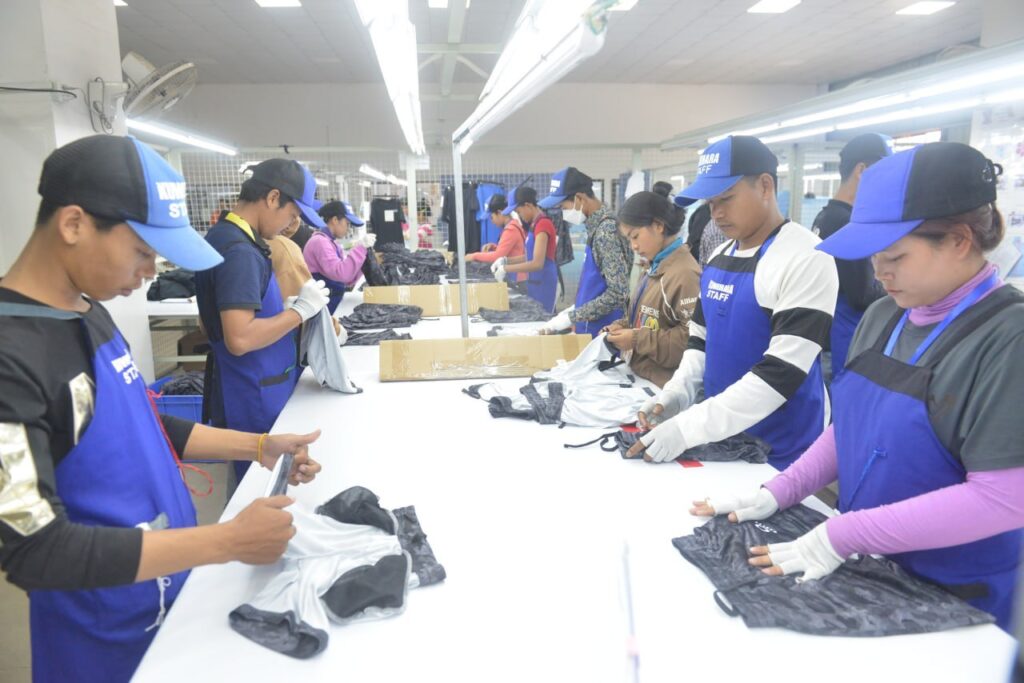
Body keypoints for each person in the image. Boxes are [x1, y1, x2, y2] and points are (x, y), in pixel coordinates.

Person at [0, 134, 323, 682]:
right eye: (142, 250)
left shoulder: (88, 312)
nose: (151, 270)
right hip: (101, 631)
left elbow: (139, 421)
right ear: (74, 224)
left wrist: (259, 446)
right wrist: (225, 540)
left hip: (166, 594)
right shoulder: (12, 359)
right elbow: (34, 549)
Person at [690, 142, 1024, 631]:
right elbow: (851, 428)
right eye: (873, 256)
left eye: (895, 256)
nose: (878, 272)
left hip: (956, 596)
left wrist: (845, 533)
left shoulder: (1007, 339)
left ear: (958, 240)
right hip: (869, 568)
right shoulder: (884, 315)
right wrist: (782, 491)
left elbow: (1004, 498)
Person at [626, 135, 838, 469]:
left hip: (781, 448)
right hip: (721, 437)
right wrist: (679, 392)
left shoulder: (806, 257)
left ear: (765, 186)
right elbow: (699, 340)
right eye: (711, 203)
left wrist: (687, 429)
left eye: (726, 199)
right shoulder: (719, 257)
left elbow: (781, 374)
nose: (717, 214)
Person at [195, 159, 330, 484]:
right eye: (292, 214)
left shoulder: (225, 236)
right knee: (259, 490)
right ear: (272, 198)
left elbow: (211, 322)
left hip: (254, 387)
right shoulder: (240, 252)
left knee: (256, 488)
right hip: (253, 395)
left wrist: (280, 312)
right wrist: (298, 313)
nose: (291, 225)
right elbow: (239, 338)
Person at [811, 133, 893, 379]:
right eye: (883, 172)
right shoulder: (846, 224)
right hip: (842, 347)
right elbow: (862, 295)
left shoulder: (825, 217)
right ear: (862, 170)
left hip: (826, 340)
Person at [604, 183, 701, 387]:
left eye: (635, 236)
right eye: (629, 239)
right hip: (642, 375)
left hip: (663, 385)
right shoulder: (653, 267)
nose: (633, 246)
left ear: (658, 225)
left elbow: (691, 341)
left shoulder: (684, 274)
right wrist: (623, 327)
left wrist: (636, 339)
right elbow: (650, 318)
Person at [537, 167, 632, 335]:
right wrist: (575, 309)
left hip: (605, 332)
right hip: (591, 328)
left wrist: (573, 316)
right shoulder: (595, 228)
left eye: (563, 207)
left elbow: (618, 293)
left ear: (579, 198)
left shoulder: (606, 231)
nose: (563, 213)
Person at [270, 215, 346, 341]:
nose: (296, 220)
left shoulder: (243, 240)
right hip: (285, 341)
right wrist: (336, 330)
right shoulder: (283, 248)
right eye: (294, 212)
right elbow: (340, 273)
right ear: (335, 220)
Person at [494, 185, 560, 313]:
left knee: (543, 319)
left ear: (528, 205)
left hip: (545, 284)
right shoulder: (534, 224)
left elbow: (537, 263)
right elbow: (530, 255)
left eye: (519, 212)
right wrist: (506, 260)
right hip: (535, 282)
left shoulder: (543, 224)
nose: (519, 216)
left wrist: (506, 269)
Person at [303, 200, 376, 312]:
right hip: (322, 307)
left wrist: (363, 260)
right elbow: (341, 274)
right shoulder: (319, 242)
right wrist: (360, 249)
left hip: (331, 302)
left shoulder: (332, 243)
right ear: (335, 220)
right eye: (347, 223)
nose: (348, 229)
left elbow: (348, 279)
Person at [463, 194, 527, 287]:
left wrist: (474, 256)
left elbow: (497, 256)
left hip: (516, 278)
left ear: (499, 213)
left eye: (491, 217)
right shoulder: (513, 225)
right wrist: (495, 247)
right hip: (517, 275)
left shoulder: (511, 229)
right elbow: (512, 250)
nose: (491, 221)